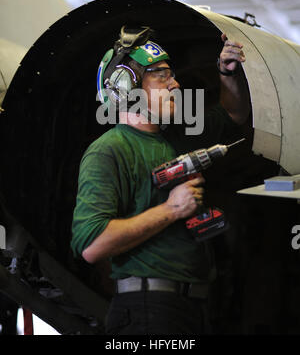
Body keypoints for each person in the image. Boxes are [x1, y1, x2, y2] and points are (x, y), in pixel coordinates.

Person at [71, 26, 250, 335]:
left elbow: (233, 114)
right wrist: (172, 210)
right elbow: (91, 244)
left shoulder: (177, 136)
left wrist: (227, 71)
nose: (175, 84)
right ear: (126, 88)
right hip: (147, 312)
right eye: (162, 76)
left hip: (193, 308)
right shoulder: (109, 151)